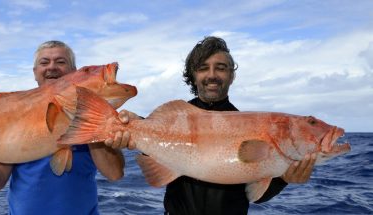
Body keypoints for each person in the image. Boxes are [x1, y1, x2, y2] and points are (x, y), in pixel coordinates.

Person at [107, 36, 318, 215]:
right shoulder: (173, 119)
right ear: (194, 75)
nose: (212, 75)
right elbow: (152, 134)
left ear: (231, 75)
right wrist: (132, 126)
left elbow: (255, 195)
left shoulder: (251, 125)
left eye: (221, 68)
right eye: (203, 68)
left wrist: (283, 179)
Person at [0, 40, 126, 215]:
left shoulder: (100, 116)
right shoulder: (12, 112)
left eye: (60, 62)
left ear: (73, 71)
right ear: (35, 72)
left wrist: (91, 119)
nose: (52, 67)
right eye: (44, 62)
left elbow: (114, 174)